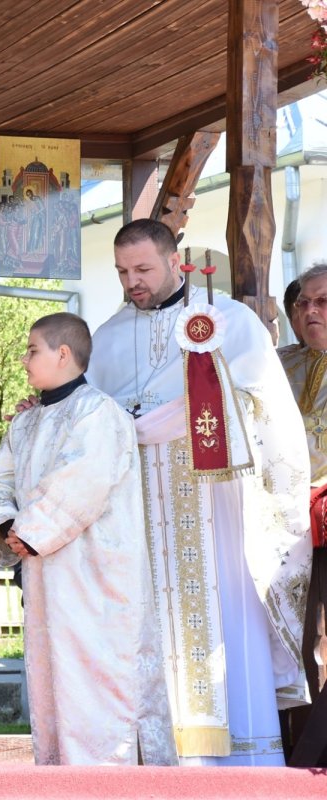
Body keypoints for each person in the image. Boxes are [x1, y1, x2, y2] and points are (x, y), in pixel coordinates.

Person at [87, 218, 311, 765]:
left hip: (214, 502)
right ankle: (160, 752)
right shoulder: (108, 335)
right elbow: (90, 411)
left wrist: (194, 411)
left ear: (174, 260)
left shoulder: (230, 320)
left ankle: (239, 755)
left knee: (221, 613)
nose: (132, 282)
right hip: (140, 508)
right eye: (122, 272)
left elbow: (265, 408)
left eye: (143, 269)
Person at [0, 312, 176, 765]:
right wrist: (7, 524)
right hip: (46, 577)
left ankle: (112, 784)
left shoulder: (98, 413)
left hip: (97, 580)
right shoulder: (25, 424)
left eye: (33, 350)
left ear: (63, 354)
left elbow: (83, 480)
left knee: (101, 682)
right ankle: (61, 781)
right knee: (55, 682)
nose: (24, 360)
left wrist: (31, 531)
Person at [279, 263, 327, 765]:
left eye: (323, 302)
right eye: (303, 303)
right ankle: (294, 750)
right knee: (293, 640)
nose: (311, 311)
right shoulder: (277, 365)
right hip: (283, 526)